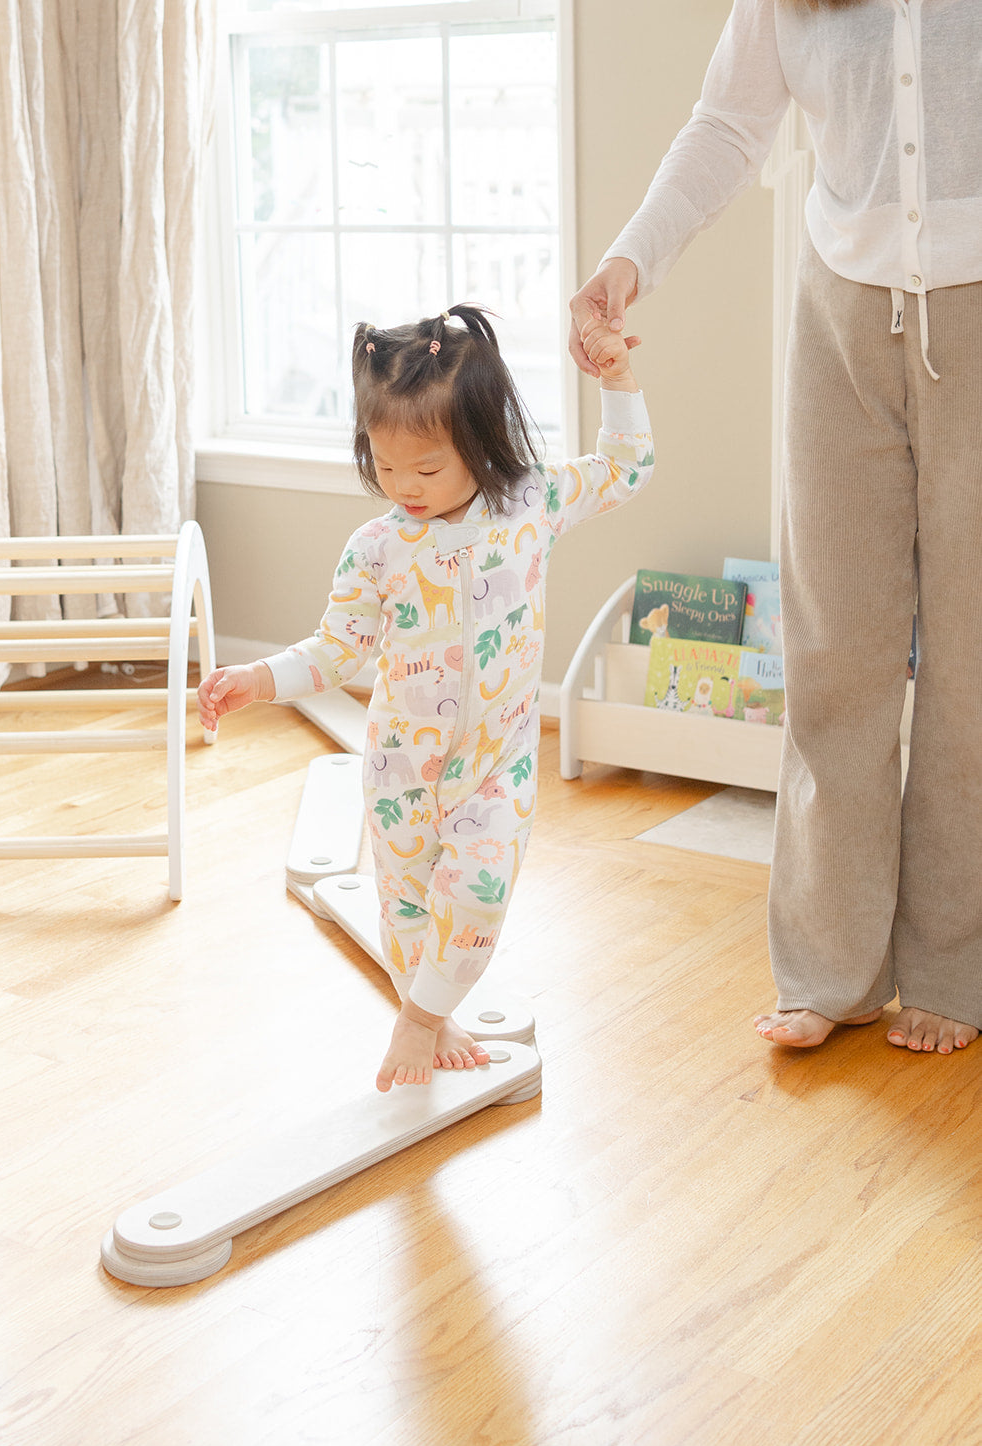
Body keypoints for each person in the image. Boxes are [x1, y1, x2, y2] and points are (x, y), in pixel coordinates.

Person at [570, 0, 982, 1058]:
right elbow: (726, 124)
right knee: (832, 649)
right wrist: (628, 260)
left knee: (970, 663)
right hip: (839, 313)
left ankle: (952, 963)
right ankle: (829, 966)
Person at [198, 305, 655, 1091]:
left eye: (427, 469)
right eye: (383, 464)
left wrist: (618, 380)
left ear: (480, 443)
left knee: (474, 895)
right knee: (406, 913)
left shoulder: (529, 506)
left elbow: (626, 468)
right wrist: (257, 680)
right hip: (399, 769)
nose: (402, 487)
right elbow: (336, 651)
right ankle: (431, 1013)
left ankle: (414, 1023)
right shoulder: (376, 550)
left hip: (493, 768)